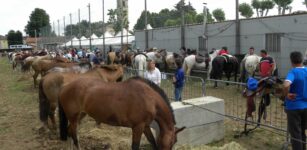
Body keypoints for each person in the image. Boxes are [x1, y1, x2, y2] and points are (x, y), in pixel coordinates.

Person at [283, 51, 307, 150]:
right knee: (302, 132)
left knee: (295, 135)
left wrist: (286, 94)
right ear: (302, 60)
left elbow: (286, 84)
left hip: (294, 107)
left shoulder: (293, 72)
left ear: (291, 61)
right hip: (306, 107)